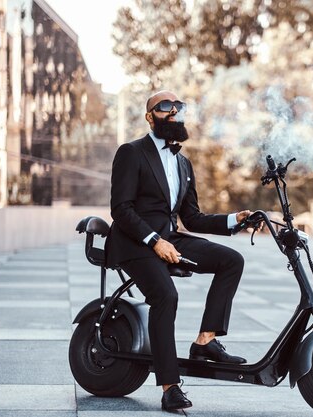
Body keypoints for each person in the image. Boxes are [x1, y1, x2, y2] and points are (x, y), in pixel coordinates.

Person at [104, 90, 250, 411]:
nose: (173, 112)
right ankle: (170, 387)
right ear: (150, 116)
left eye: (178, 107)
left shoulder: (183, 162)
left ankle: (205, 341)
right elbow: (121, 209)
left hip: (171, 237)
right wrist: (155, 241)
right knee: (166, 296)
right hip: (135, 241)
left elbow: (192, 217)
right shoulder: (131, 152)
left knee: (231, 260)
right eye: (164, 107)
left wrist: (233, 219)